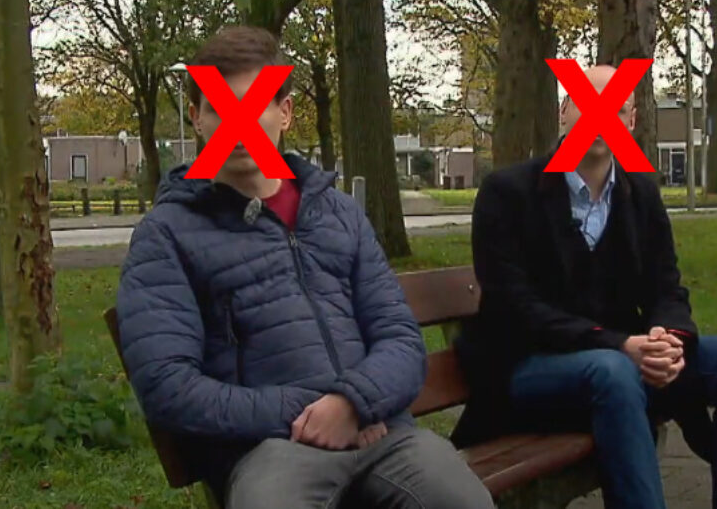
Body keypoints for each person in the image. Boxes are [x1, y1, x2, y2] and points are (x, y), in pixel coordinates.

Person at [116, 26, 493, 509]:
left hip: (383, 435)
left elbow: (399, 337)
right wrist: (311, 413)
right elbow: (168, 385)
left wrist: (353, 404)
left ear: (285, 111)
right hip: (270, 450)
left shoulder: (338, 213)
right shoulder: (167, 234)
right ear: (196, 117)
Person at [452, 65, 717, 509]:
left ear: (632, 121)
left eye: (616, 109)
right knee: (613, 371)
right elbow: (516, 307)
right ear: (564, 112)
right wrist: (619, 345)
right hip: (527, 367)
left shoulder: (640, 193)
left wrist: (667, 340)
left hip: (622, 359)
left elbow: (667, 288)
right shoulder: (508, 193)